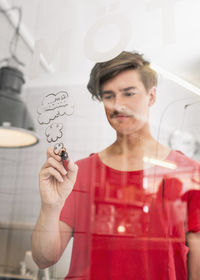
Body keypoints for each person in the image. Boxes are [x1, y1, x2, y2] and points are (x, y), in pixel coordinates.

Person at [32, 51, 200, 280]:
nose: (118, 105)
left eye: (129, 93)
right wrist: (49, 206)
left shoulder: (189, 173)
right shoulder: (78, 174)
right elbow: (44, 259)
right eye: (109, 96)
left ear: (151, 96)